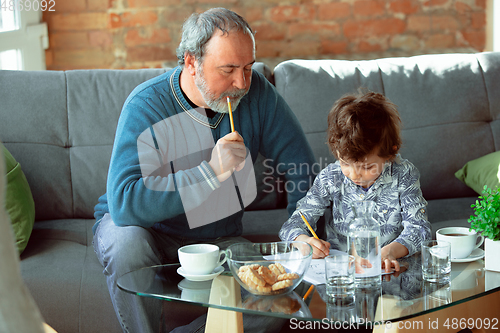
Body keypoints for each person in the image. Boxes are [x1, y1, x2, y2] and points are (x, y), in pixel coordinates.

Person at [93, 7, 316, 333]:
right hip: (146, 232)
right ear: (191, 62)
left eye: (248, 67)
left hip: (218, 239)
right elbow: (125, 204)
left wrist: (300, 230)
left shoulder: (256, 95)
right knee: (126, 243)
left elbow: (302, 167)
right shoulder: (146, 104)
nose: (241, 82)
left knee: (283, 300)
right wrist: (210, 171)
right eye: (227, 69)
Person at [279, 91, 431, 273]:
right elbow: (293, 224)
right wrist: (303, 241)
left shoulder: (404, 174)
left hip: (391, 273)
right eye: (345, 163)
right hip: (342, 275)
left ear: (391, 152)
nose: (354, 174)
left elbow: (420, 229)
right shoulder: (331, 176)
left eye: (367, 167)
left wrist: (390, 252)